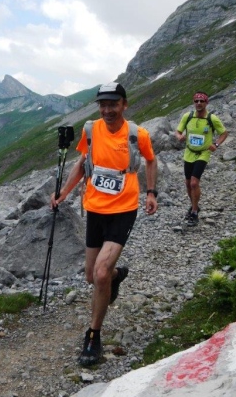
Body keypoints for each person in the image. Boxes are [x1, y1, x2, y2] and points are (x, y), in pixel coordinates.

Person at [50, 82, 158, 367]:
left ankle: (93, 336)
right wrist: (63, 193)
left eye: (113, 104)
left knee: (99, 273)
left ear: (124, 104)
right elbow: (82, 163)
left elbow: (151, 160)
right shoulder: (91, 130)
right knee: (91, 276)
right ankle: (116, 276)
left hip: (123, 210)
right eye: (103, 105)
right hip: (95, 210)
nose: (107, 110)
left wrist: (151, 193)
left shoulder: (137, 134)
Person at [175, 91, 229, 226]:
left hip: (203, 153)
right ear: (193, 103)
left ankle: (194, 212)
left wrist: (216, 144)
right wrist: (179, 137)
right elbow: (178, 131)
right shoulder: (187, 116)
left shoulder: (212, 118)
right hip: (189, 152)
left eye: (202, 101)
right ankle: (194, 205)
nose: (199, 103)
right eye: (196, 101)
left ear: (206, 103)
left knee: (194, 183)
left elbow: (224, 133)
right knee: (188, 183)